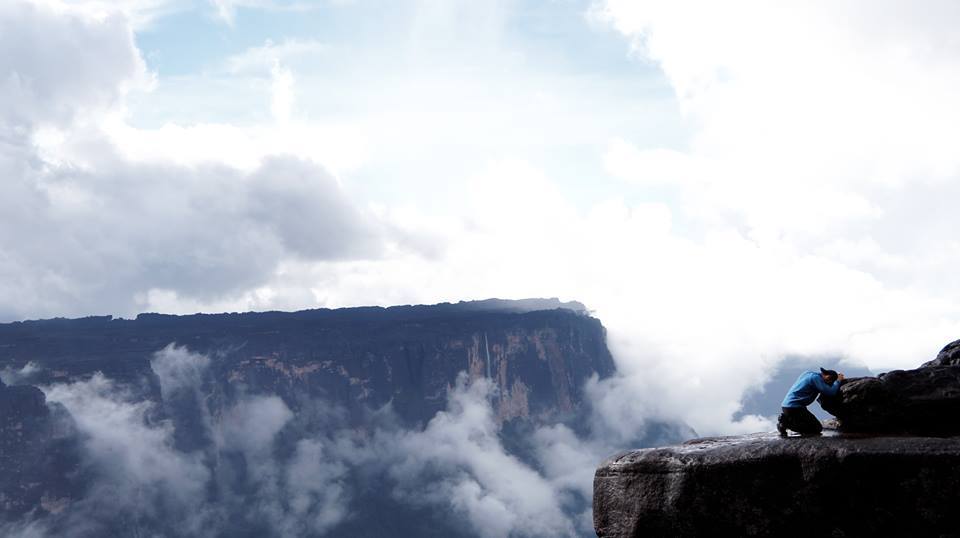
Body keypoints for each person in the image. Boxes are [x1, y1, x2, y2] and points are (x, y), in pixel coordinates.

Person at [777, 367, 845, 436]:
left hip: (788, 406)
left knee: (814, 426)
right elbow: (830, 392)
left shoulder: (808, 373)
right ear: (827, 375)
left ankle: (787, 419)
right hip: (795, 408)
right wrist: (838, 381)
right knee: (815, 429)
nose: (827, 383)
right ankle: (785, 423)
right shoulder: (815, 378)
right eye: (829, 380)